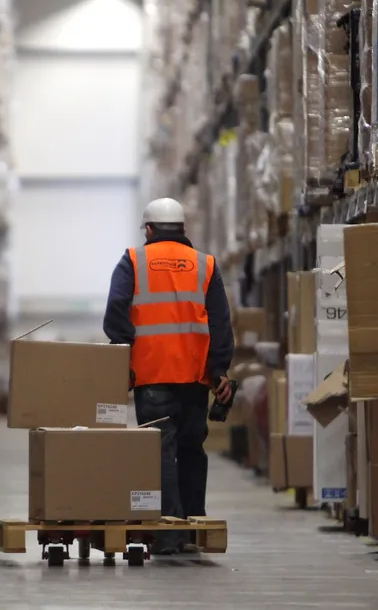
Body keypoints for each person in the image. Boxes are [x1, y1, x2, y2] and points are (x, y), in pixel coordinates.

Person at [103, 197, 235, 555]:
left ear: (149, 229)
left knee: (160, 451)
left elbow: (116, 311)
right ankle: (194, 525)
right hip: (195, 378)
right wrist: (219, 369)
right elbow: (221, 322)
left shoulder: (133, 260)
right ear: (183, 229)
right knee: (193, 449)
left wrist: (124, 352)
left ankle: (167, 533)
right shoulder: (205, 265)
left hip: (152, 376)